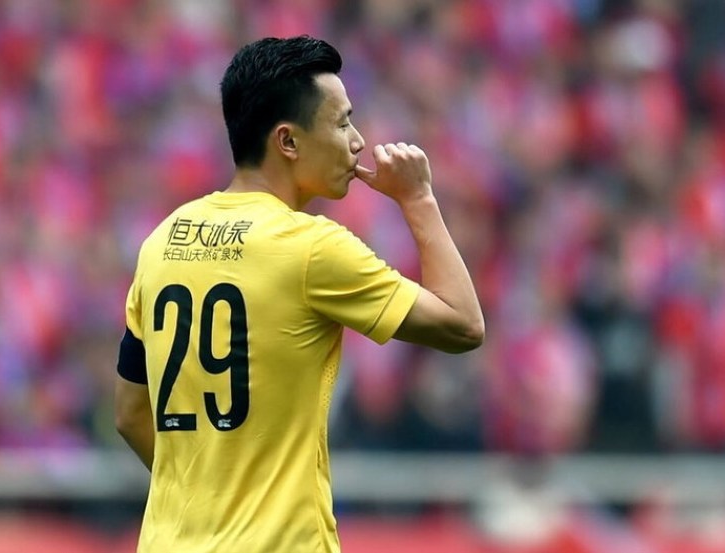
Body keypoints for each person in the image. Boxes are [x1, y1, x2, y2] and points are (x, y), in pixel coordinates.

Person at [113, 35, 484, 553]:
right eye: (342, 123)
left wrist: (210, 501)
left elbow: (131, 413)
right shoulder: (311, 248)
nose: (358, 141)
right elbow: (463, 324)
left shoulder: (162, 242)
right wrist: (418, 199)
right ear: (287, 141)